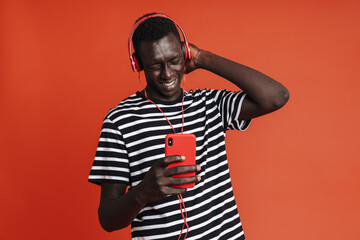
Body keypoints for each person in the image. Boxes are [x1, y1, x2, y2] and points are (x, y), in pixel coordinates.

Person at [88, 13, 289, 240]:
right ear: (138, 64)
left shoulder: (210, 105)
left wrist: (204, 58)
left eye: (174, 60)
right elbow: (108, 219)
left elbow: (276, 96)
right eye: (155, 66)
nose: (167, 74)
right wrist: (142, 193)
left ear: (184, 53)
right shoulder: (119, 121)